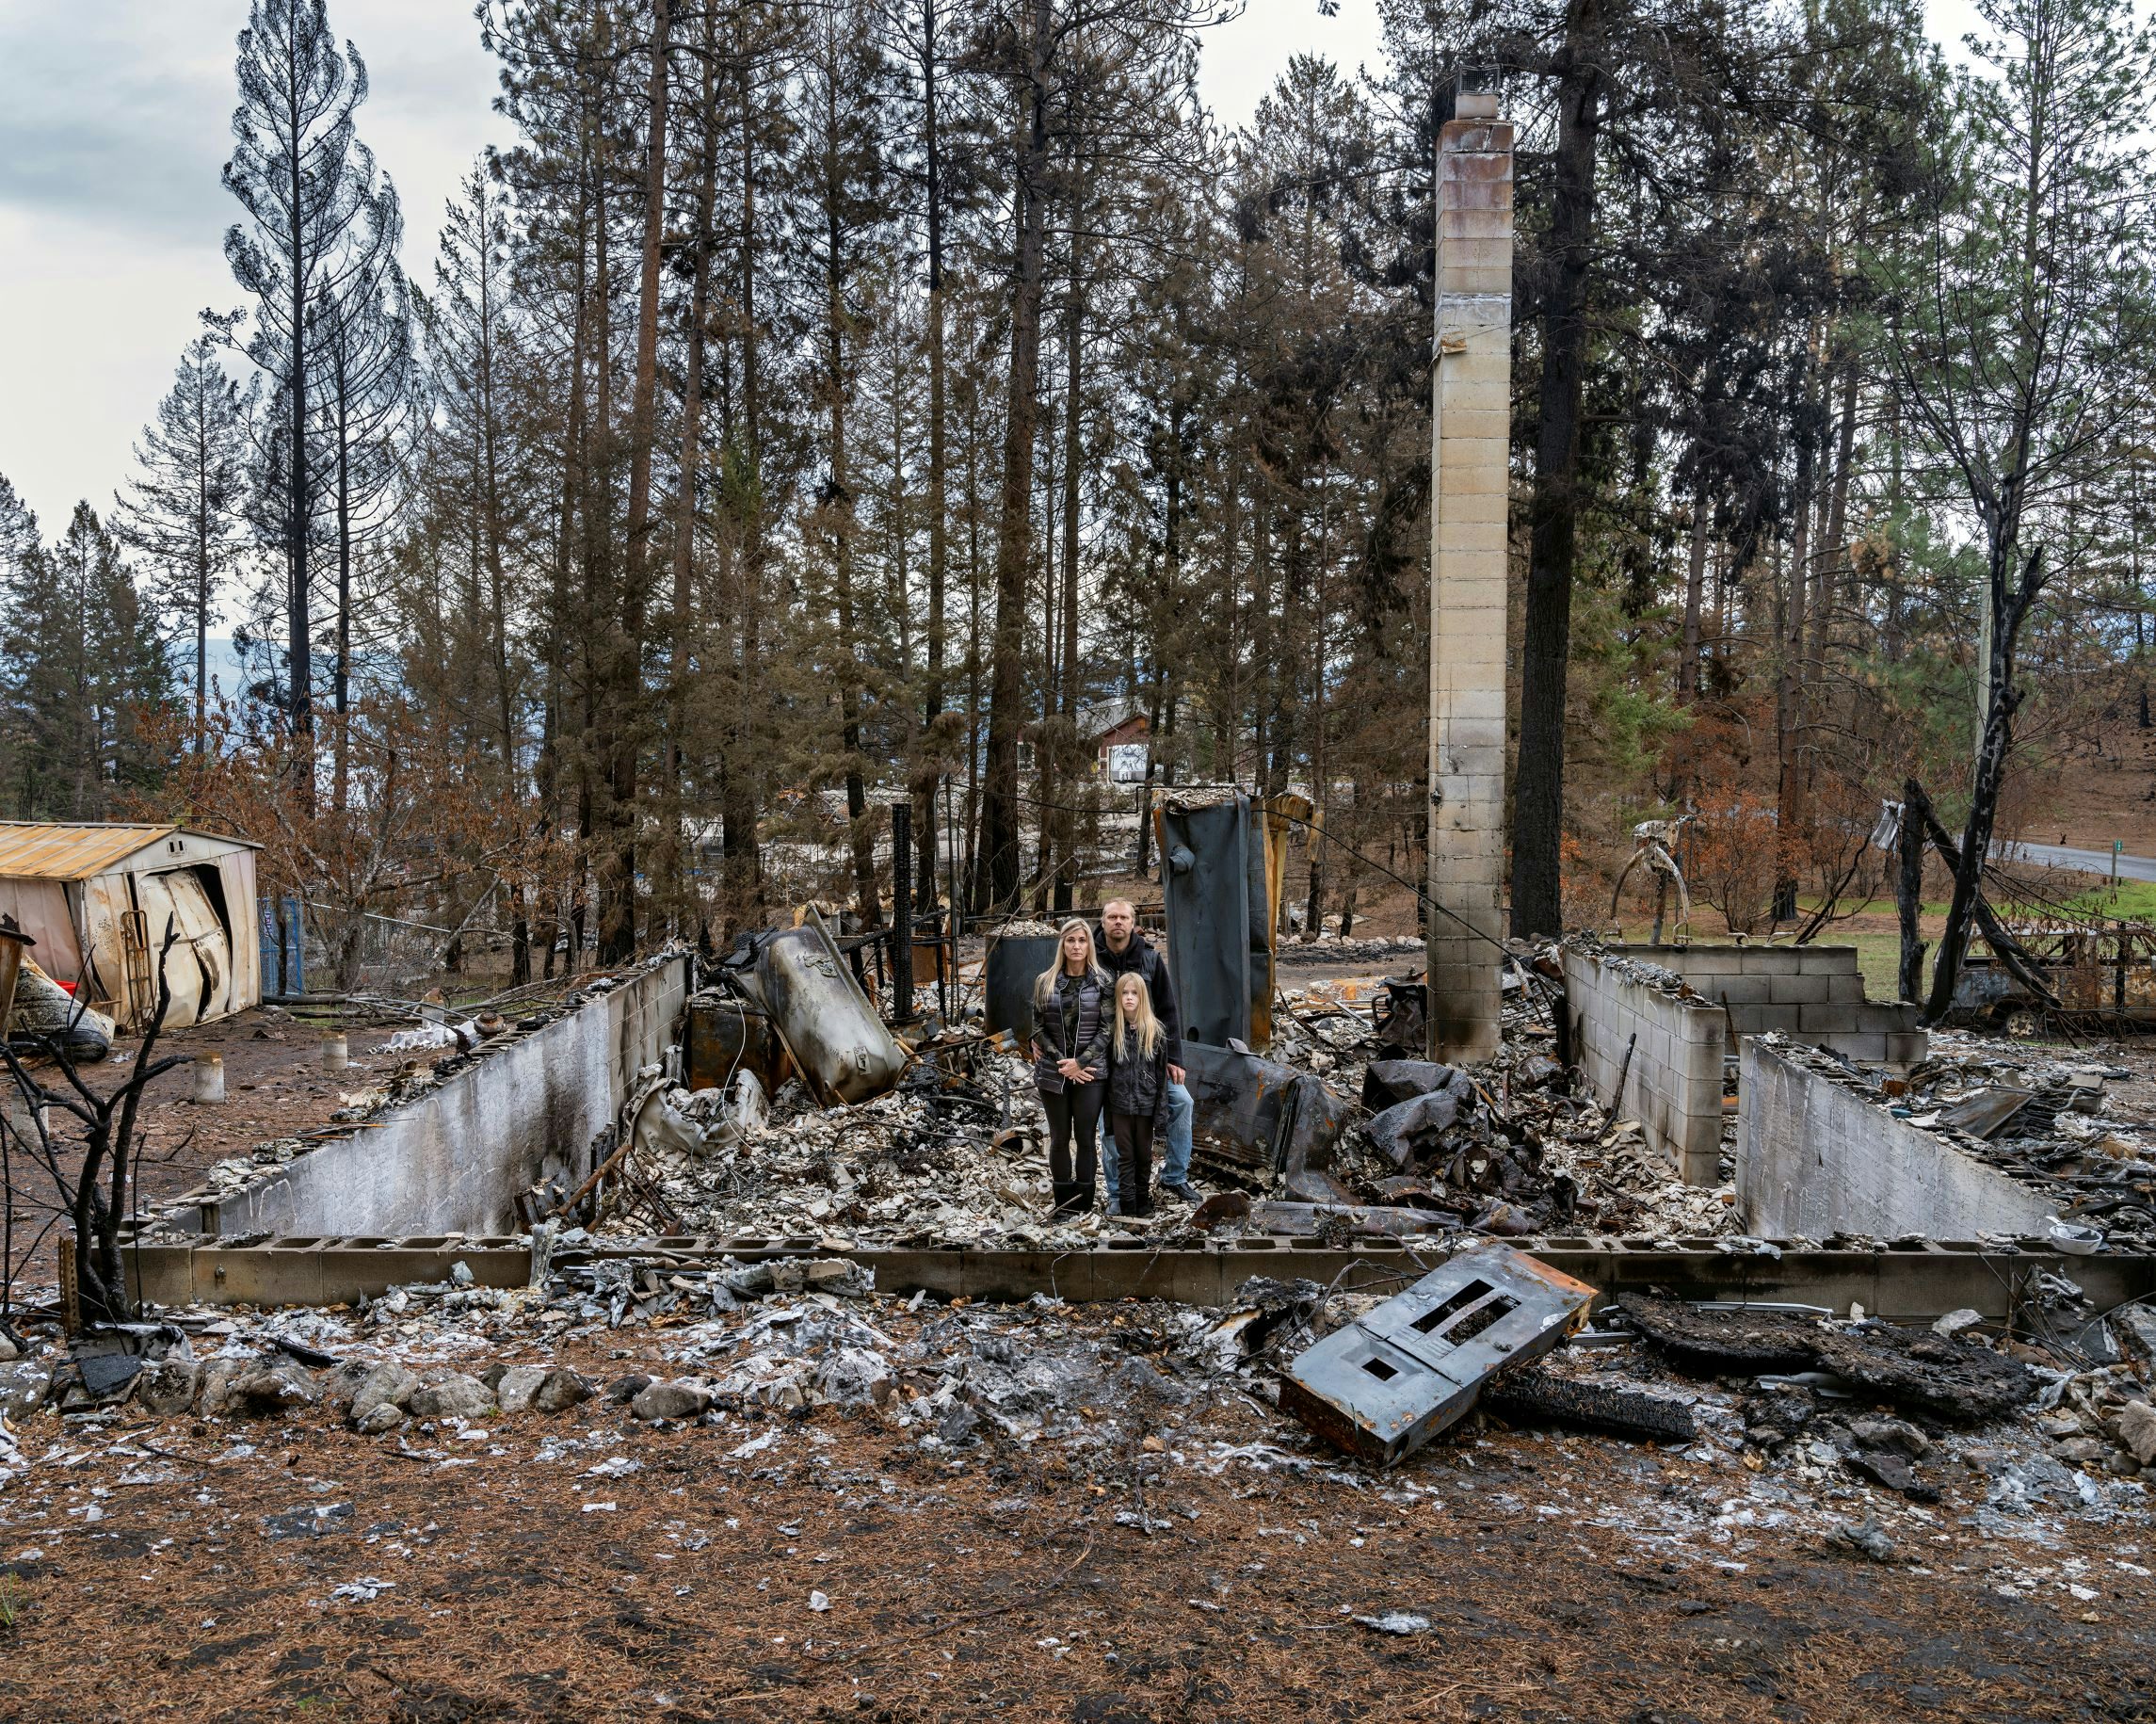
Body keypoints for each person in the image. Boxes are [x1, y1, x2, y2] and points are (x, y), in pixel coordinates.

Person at [1093, 899, 1196, 1201]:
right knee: (1110, 1128)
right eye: (1112, 917)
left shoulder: (1150, 959)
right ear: (1102, 921)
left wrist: (1174, 1058)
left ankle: (1174, 1176)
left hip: (1147, 1060)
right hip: (1104, 1060)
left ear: (1133, 922)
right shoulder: (1089, 957)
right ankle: (1117, 1193)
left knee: (1183, 1102)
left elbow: (1168, 1008)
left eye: (1123, 917)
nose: (1117, 922)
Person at [1030, 918, 1109, 1216]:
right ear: (1062, 944)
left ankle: (1084, 1205)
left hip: (1091, 1074)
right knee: (1060, 1137)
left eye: (1082, 940)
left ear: (1089, 944)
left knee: (1087, 1138)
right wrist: (1064, 1064)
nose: (1076, 946)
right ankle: (1063, 1205)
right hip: (1053, 1073)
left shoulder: (1102, 981)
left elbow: (1107, 1029)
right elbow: (1036, 1028)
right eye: (1070, 940)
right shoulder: (1045, 981)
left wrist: (1081, 1063)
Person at [1105, 972, 1171, 1217]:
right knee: (1126, 1157)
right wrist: (1108, 1116)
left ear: (1142, 997)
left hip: (1146, 1106)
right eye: (1124, 992)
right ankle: (1127, 1205)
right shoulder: (1113, 1032)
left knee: (1144, 1157)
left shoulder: (1156, 1033)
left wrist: (1160, 1119)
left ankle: (1143, 1203)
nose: (1129, 997)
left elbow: (1162, 1080)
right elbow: (1107, 1075)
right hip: (1120, 1107)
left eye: (1134, 993)